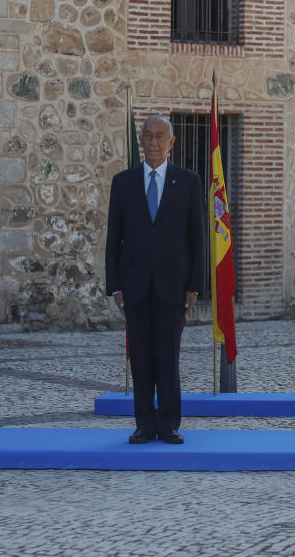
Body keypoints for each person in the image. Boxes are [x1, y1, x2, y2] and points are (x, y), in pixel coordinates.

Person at [105, 115, 204, 445]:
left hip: (173, 285)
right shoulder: (123, 182)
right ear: (140, 140)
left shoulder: (188, 181)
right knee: (141, 357)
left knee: (168, 356)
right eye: (148, 136)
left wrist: (194, 286)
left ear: (171, 142)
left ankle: (169, 424)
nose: (153, 142)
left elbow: (197, 239)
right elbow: (113, 239)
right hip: (134, 285)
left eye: (161, 136)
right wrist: (115, 285)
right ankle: (144, 424)